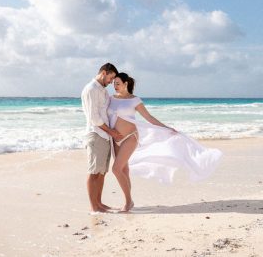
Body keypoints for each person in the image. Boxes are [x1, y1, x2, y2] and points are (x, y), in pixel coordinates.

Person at [108, 72, 222, 212]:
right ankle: (128, 201)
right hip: (115, 138)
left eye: (118, 83)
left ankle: (128, 202)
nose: (115, 86)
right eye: (114, 83)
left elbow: (149, 118)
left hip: (130, 137)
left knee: (116, 169)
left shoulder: (135, 100)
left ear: (126, 84)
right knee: (124, 169)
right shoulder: (111, 98)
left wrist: (166, 128)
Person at [81, 63, 123, 213]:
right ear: (104, 73)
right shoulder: (91, 89)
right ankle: (94, 207)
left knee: (102, 172)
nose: (111, 82)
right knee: (94, 172)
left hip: (105, 135)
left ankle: (99, 203)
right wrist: (111, 132)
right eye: (110, 78)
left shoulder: (103, 91)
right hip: (96, 134)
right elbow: (94, 118)